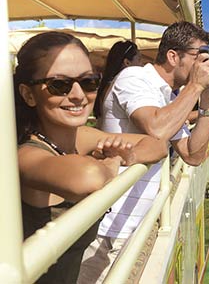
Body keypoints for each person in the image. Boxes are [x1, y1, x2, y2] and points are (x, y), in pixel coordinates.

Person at [13, 31, 167, 284]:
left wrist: (128, 154)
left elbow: (157, 144)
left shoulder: (80, 135)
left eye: (88, 82)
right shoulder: (25, 154)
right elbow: (89, 177)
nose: (78, 95)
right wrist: (112, 161)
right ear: (28, 94)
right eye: (58, 84)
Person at [78, 21, 209, 283]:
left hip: (137, 225)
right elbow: (157, 128)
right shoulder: (135, 77)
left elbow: (193, 155)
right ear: (172, 56)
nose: (204, 63)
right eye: (198, 56)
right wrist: (195, 88)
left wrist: (206, 108)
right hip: (109, 230)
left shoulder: (170, 97)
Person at [93, 40, 141, 119]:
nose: (142, 65)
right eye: (139, 60)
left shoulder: (109, 84)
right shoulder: (125, 83)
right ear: (127, 62)